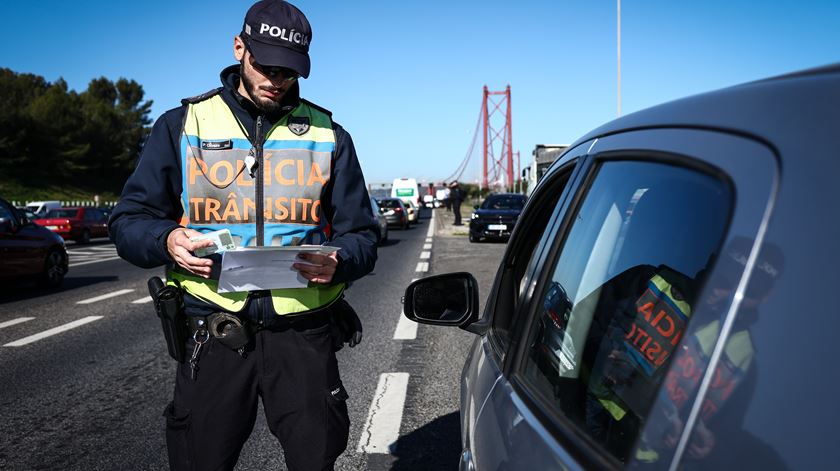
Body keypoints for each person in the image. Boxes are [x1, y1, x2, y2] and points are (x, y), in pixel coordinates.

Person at [108, 1, 379, 470]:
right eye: (266, 66)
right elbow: (128, 221)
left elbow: (363, 236)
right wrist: (166, 239)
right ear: (239, 48)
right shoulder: (182, 126)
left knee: (316, 459)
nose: (277, 79)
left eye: (289, 71)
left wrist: (341, 260)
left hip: (303, 333)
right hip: (214, 329)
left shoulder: (329, 134)